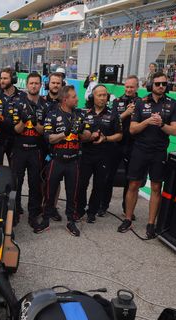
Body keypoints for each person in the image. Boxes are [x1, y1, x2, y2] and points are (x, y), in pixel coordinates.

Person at [118, 72, 176, 239]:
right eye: (158, 83)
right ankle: (128, 219)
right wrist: (147, 122)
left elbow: (175, 131)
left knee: (156, 187)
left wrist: (161, 125)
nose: (161, 86)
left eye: (164, 84)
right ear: (151, 84)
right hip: (140, 149)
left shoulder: (173, 104)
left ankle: (151, 224)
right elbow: (132, 130)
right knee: (133, 185)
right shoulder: (140, 103)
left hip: (159, 151)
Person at [41, 85, 91, 236]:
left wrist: (82, 131)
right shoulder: (52, 114)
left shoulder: (80, 114)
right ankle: (45, 219)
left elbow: (88, 136)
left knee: (72, 194)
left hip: (73, 161)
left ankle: (71, 221)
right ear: (65, 99)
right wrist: (65, 133)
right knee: (49, 192)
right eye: (74, 96)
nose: (77, 99)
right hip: (56, 160)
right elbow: (49, 138)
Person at [79, 84, 122, 225]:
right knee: (82, 183)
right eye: (100, 95)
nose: (103, 98)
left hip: (104, 156)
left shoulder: (113, 114)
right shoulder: (84, 113)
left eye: (105, 95)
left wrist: (106, 138)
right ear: (93, 96)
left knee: (99, 185)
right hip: (85, 155)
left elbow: (119, 136)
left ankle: (92, 212)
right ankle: (79, 209)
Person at [9, 72, 46, 226]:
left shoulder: (45, 105)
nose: (33, 86)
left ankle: (33, 215)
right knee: (16, 183)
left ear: (40, 85)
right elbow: (16, 130)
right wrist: (24, 121)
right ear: (27, 85)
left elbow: (44, 131)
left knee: (35, 184)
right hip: (19, 149)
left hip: (36, 150)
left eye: (36, 83)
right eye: (31, 83)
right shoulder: (17, 103)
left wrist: (35, 123)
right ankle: (16, 213)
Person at [104, 75, 141, 216]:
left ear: (137, 87)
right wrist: (126, 113)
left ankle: (127, 209)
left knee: (130, 179)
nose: (129, 89)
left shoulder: (142, 103)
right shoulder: (117, 101)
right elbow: (112, 121)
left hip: (133, 145)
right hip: (116, 144)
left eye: (132, 87)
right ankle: (103, 205)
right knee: (109, 176)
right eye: (127, 86)